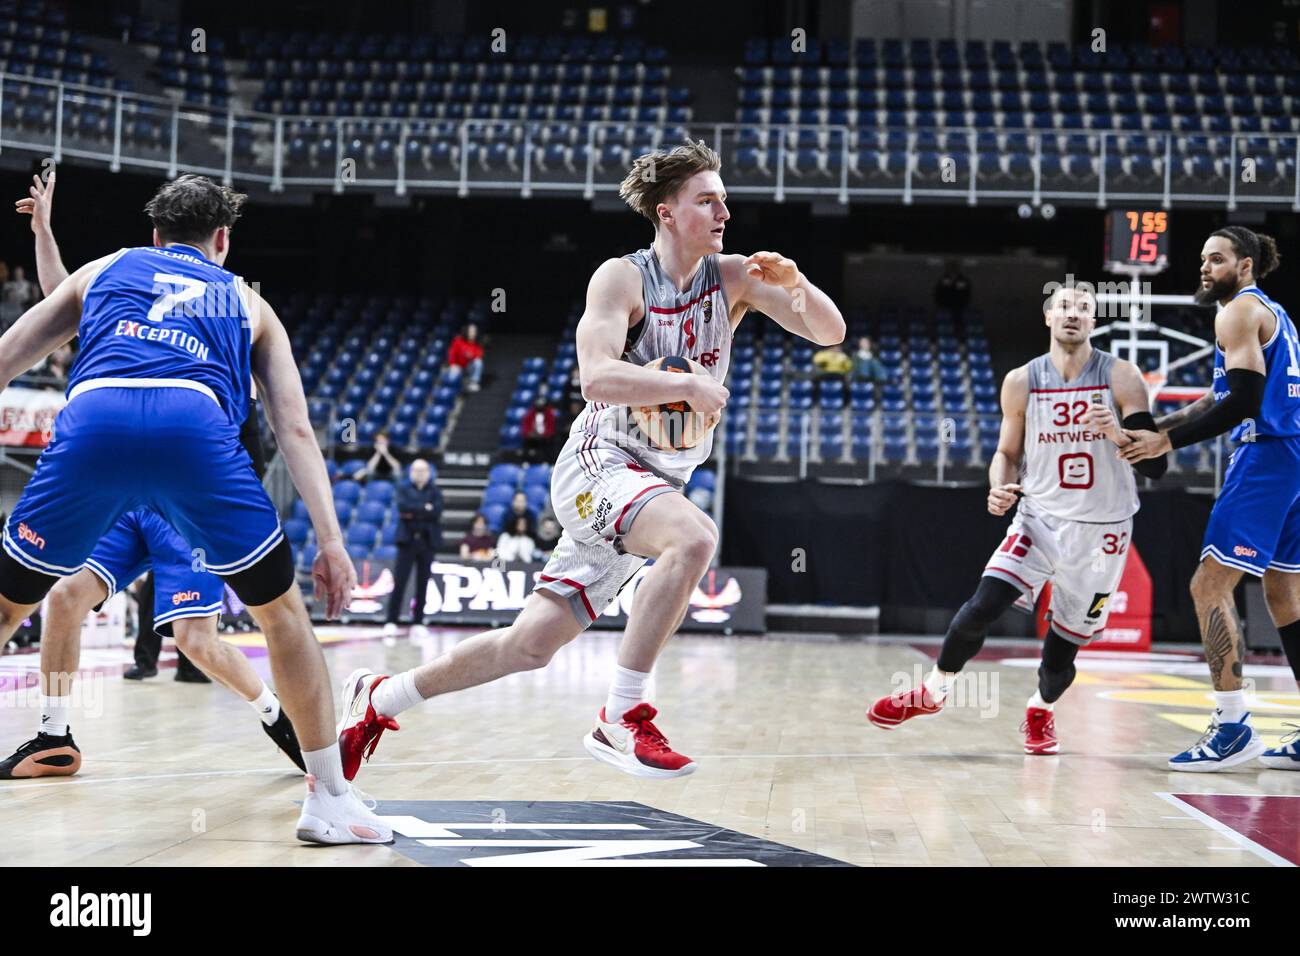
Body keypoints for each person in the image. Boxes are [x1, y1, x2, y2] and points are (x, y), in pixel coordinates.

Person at [334, 139, 844, 781]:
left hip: (656, 481)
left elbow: (830, 332)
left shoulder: (734, 276)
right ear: (666, 212)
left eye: (725, 201)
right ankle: (621, 718)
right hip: (599, 463)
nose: (723, 213)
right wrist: (684, 385)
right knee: (693, 538)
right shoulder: (623, 277)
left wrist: (797, 285)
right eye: (707, 200)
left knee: (530, 645)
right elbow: (596, 378)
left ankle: (378, 700)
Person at [0, 173, 387, 843]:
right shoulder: (246, 301)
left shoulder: (109, 268)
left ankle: (270, 720)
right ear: (222, 241)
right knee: (280, 614)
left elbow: (9, 354)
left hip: (97, 423)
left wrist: (46, 239)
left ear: (154, 236)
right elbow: (295, 430)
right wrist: (331, 543)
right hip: (193, 436)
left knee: (11, 604)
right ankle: (329, 801)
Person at [867, 286, 1167, 753]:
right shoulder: (1022, 380)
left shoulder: (1122, 377)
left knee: (1062, 650)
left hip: (1102, 531)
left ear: (1093, 322)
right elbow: (1006, 453)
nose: (1073, 315)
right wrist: (998, 485)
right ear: (1048, 317)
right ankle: (933, 689)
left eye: (1084, 309)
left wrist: (1118, 432)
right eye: (1064, 307)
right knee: (982, 605)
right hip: (1039, 518)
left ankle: (1041, 710)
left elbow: (1157, 465)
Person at [1121, 226, 1300, 771]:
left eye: (1216, 258)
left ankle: (1231, 726)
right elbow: (1220, 395)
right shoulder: (1272, 313)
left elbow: (1243, 402)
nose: (1204, 267)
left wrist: (1168, 439)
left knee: (1209, 583)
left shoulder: (1237, 313)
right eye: (1202, 258)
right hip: (1293, 456)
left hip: (1268, 456)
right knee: (1286, 595)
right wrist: (1161, 425)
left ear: (1245, 266)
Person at [0, 509, 305, 778]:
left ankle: (273, 712)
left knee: (196, 642)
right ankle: (54, 739)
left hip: (185, 506)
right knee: (64, 598)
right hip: (131, 503)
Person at [383, 458, 442, 638]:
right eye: (416, 470)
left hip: (426, 541)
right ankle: (391, 620)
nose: (420, 474)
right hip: (407, 541)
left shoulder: (435, 492)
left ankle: (418, 621)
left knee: (423, 583)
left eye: (423, 470)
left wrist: (416, 511)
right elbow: (403, 508)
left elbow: (436, 512)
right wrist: (424, 508)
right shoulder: (403, 488)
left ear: (429, 473)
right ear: (411, 473)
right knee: (399, 582)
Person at [447, 322, 484, 392]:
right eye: (471, 331)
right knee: (453, 371)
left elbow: (479, 355)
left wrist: (471, 356)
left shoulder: (477, 343)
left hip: (469, 367)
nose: (473, 333)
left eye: (474, 331)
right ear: (466, 332)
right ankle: (455, 390)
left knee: (478, 362)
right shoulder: (458, 340)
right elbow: (452, 353)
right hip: (458, 366)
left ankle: (474, 382)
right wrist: (453, 364)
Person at [521, 393, 558, 463]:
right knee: (527, 444)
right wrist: (529, 433)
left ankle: (547, 462)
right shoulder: (530, 413)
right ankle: (526, 462)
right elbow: (525, 426)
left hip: (545, 438)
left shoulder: (549, 413)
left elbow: (551, 428)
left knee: (550, 443)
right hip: (533, 439)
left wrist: (544, 434)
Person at [935, 258, 972, 324]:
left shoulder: (962, 280)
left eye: (954, 267)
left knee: (957, 322)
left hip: (959, 306)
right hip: (944, 306)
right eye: (951, 267)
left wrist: (963, 303)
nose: (952, 270)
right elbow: (938, 291)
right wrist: (940, 303)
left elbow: (966, 293)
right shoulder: (943, 279)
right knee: (945, 324)